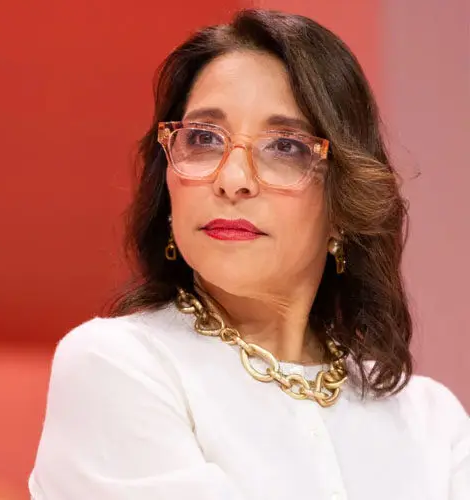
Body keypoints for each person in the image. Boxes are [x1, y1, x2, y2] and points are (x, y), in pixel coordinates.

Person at [28, 8, 469, 500]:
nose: (232, 180)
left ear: (346, 201)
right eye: (203, 139)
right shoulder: (118, 366)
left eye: (285, 146)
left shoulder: (432, 423)